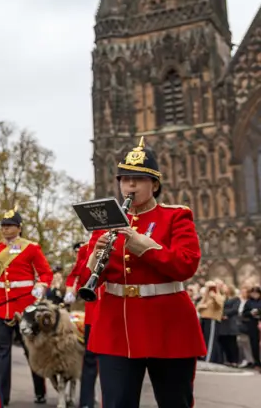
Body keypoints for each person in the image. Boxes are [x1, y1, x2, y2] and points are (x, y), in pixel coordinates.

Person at [84, 137, 206, 408]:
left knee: (175, 402)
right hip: (117, 326)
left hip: (168, 323)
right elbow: (86, 281)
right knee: (116, 403)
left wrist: (146, 248)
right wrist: (94, 256)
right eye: (125, 179)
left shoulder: (176, 216)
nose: (130, 185)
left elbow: (187, 265)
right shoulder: (105, 223)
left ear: (154, 184)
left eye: (138, 179)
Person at [0, 206, 53, 405]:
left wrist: (40, 287)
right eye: (3, 226)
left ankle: (40, 391)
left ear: (19, 228)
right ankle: (2, 396)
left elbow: (45, 273)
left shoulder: (31, 248)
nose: (6, 229)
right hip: (1, 307)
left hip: (25, 307)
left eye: (10, 226)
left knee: (31, 351)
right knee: (0, 353)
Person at [64, 241, 101, 408]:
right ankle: (86, 401)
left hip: (118, 311)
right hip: (93, 312)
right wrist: (71, 289)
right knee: (90, 360)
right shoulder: (87, 248)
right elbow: (79, 274)